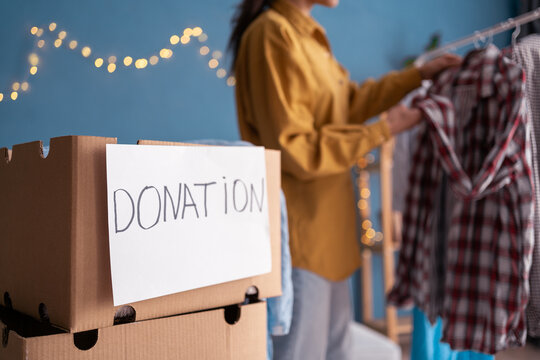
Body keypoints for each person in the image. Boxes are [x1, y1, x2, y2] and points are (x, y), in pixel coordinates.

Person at [228, 0, 461, 358]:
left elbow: (347, 104)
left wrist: (418, 75)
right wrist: (386, 129)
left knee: (337, 350)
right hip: (302, 240)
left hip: (332, 235)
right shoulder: (272, 34)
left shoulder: (308, 37)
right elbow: (295, 149)